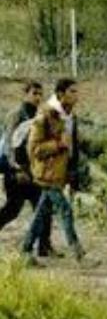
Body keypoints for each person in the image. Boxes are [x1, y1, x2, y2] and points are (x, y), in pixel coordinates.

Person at [20, 79, 89, 265]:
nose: (76, 95)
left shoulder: (70, 116)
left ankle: (25, 250)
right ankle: (78, 254)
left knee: (41, 213)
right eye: (72, 91)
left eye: (76, 91)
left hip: (59, 174)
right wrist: (58, 144)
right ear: (60, 94)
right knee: (65, 211)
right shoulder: (45, 115)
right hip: (47, 174)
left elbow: (72, 147)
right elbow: (34, 149)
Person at [0, 81, 53, 256]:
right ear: (26, 94)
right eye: (34, 93)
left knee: (44, 207)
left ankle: (44, 247)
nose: (38, 97)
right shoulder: (16, 115)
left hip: (34, 171)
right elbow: (9, 143)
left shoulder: (39, 115)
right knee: (13, 209)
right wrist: (16, 169)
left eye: (40, 94)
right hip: (17, 172)